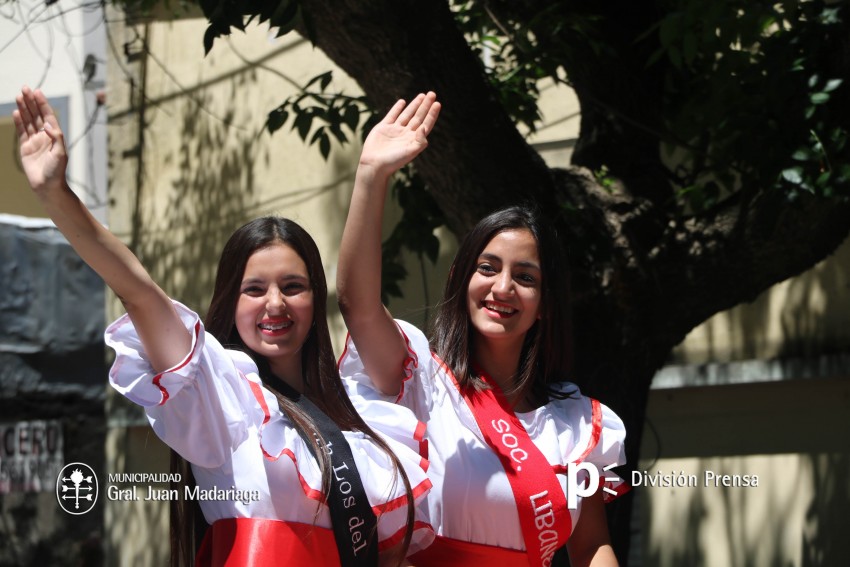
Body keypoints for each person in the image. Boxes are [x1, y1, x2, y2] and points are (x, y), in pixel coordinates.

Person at [13, 86, 432, 567]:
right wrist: (53, 192)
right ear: (229, 303)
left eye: (293, 286)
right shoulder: (221, 395)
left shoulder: (360, 407)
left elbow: (361, 303)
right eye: (254, 290)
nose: (275, 304)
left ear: (316, 300)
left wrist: (370, 174)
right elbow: (139, 292)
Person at [336, 91, 627, 566]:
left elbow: (592, 543)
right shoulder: (419, 382)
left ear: (546, 305)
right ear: (461, 279)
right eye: (487, 268)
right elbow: (359, 306)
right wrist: (371, 176)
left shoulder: (581, 426)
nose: (503, 288)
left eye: (526, 277)